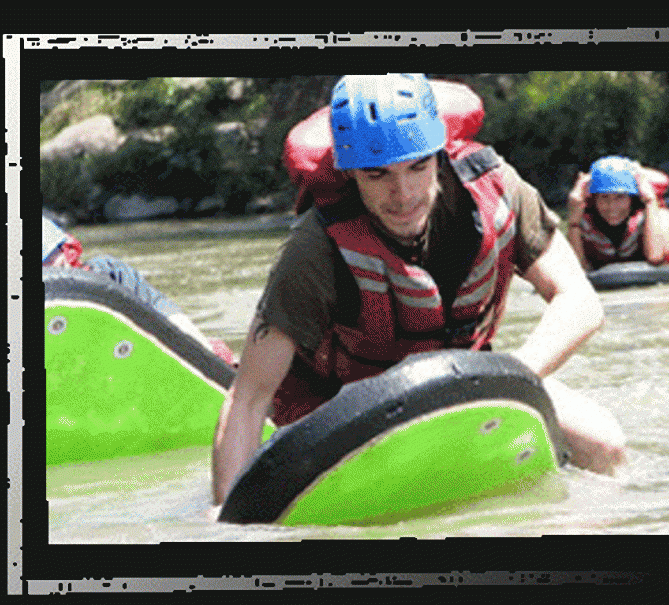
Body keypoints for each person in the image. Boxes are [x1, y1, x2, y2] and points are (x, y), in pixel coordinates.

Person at [211, 74, 626, 506]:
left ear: (439, 152)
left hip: (460, 384)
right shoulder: (316, 246)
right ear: (350, 172)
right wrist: (226, 518)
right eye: (377, 175)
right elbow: (248, 398)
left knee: (606, 446)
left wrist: (511, 377)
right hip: (342, 411)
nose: (403, 194)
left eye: (417, 166)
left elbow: (580, 301)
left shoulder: (497, 188)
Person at [42, 215, 234, 363]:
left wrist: (206, 356)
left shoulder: (108, 272)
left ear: (64, 249)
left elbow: (161, 309)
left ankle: (208, 358)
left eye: (53, 257)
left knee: (110, 270)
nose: (50, 265)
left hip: (126, 355)